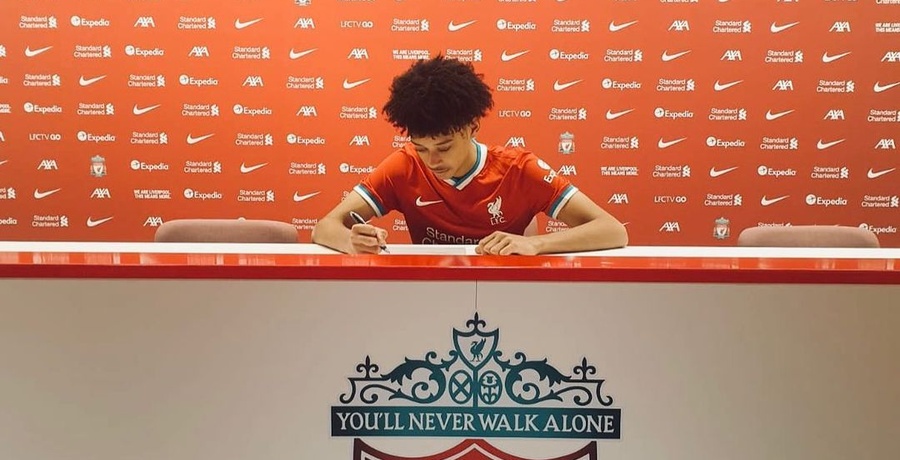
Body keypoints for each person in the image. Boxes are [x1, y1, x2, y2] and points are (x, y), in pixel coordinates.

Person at [311, 55, 628, 255]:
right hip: (433, 296)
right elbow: (325, 227)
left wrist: (535, 244)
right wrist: (351, 242)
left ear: (473, 127)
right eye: (422, 149)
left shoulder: (519, 170)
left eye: (444, 147)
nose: (432, 161)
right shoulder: (403, 165)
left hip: (508, 298)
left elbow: (612, 230)